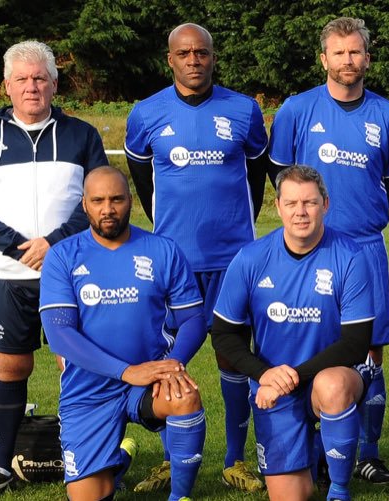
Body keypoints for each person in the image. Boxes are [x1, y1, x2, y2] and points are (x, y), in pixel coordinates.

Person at [0, 40, 108, 501]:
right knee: (11, 364)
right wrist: (17, 247)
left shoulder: (81, 134)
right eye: (22, 79)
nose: (31, 86)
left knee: (77, 364)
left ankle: (91, 459)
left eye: (40, 77)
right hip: (6, 272)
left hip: (71, 272)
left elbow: (100, 201)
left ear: (55, 83)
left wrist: (53, 245)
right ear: (7, 85)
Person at [268, 16, 389, 484]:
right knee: (306, 338)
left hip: (365, 247)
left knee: (370, 351)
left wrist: (357, 213)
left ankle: (368, 452)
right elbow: (280, 175)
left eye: (355, 52)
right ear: (324, 58)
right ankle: (311, 443)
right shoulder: (296, 110)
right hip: (308, 252)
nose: (347, 60)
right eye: (339, 52)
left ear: (367, 58)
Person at [123, 23, 270, 492]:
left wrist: (234, 228)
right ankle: (170, 458)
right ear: (170, 59)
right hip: (174, 266)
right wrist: (170, 234)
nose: (193, 60)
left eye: (201, 53)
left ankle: (234, 459)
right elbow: (143, 180)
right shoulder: (145, 113)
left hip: (233, 262)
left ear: (212, 57)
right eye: (184, 53)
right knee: (167, 360)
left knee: (234, 359)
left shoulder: (244, 110)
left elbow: (256, 176)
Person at [39, 167, 208, 501]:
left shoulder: (163, 250)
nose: (108, 209)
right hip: (89, 389)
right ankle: (118, 459)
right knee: (90, 496)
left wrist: (171, 364)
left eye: (116, 199)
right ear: (84, 204)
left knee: (184, 395)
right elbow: (60, 335)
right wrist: (127, 371)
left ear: (130, 201)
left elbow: (193, 319)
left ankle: (181, 495)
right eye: (98, 200)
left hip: (149, 381)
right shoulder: (63, 256)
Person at [210, 165, 374, 501]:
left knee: (333, 386)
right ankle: (315, 448)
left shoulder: (351, 256)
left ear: (325, 204)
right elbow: (224, 334)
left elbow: (357, 344)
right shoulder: (251, 258)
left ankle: (340, 489)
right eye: (292, 203)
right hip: (275, 384)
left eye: (310, 203)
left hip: (327, 376)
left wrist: (291, 377)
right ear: (278, 206)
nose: (301, 212)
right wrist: (265, 374)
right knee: (290, 496)